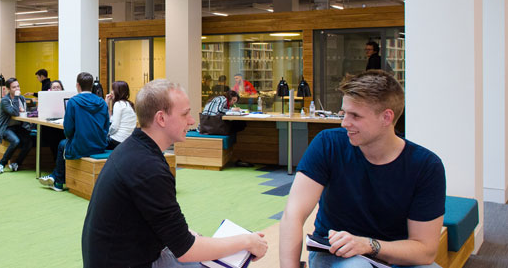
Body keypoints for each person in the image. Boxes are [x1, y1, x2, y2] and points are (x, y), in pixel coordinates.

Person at [82, 79, 268, 268]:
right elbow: (186, 250)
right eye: (185, 114)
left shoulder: (136, 149)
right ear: (161, 118)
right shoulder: (148, 168)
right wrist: (247, 242)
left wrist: (193, 237)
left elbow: (165, 224)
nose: (192, 121)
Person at [279, 70, 445, 268]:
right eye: (344, 113)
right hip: (336, 253)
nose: (344, 122)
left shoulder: (426, 166)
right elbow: (293, 214)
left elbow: (425, 251)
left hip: (395, 253)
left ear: (386, 117)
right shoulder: (328, 144)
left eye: (355, 116)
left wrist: (368, 245)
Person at [38, 72, 110, 191]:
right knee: (64, 144)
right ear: (92, 86)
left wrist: (70, 138)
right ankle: (55, 176)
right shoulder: (102, 102)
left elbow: (68, 129)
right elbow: (106, 126)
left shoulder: (73, 102)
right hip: (100, 145)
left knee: (62, 144)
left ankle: (58, 182)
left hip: (81, 146)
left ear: (77, 85)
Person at [0, 78, 34, 174]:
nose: (17, 89)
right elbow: (15, 112)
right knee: (16, 141)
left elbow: (23, 112)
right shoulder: (5, 100)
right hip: (6, 128)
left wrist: (19, 106)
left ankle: (17, 163)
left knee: (29, 142)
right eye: (14, 87)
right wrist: (16, 98)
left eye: (18, 86)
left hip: (19, 127)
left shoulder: (22, 98)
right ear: (9, 89)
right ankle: (1, 164)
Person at [105, 80, 137, 150]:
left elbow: (114, 126)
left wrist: (106, 134)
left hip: (117, 141)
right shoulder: (130, 104)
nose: (111, 92)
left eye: (113, 89)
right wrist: (107, 104)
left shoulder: (118, 104)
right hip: (128, 141)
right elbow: (111, 120)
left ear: (117, 91)